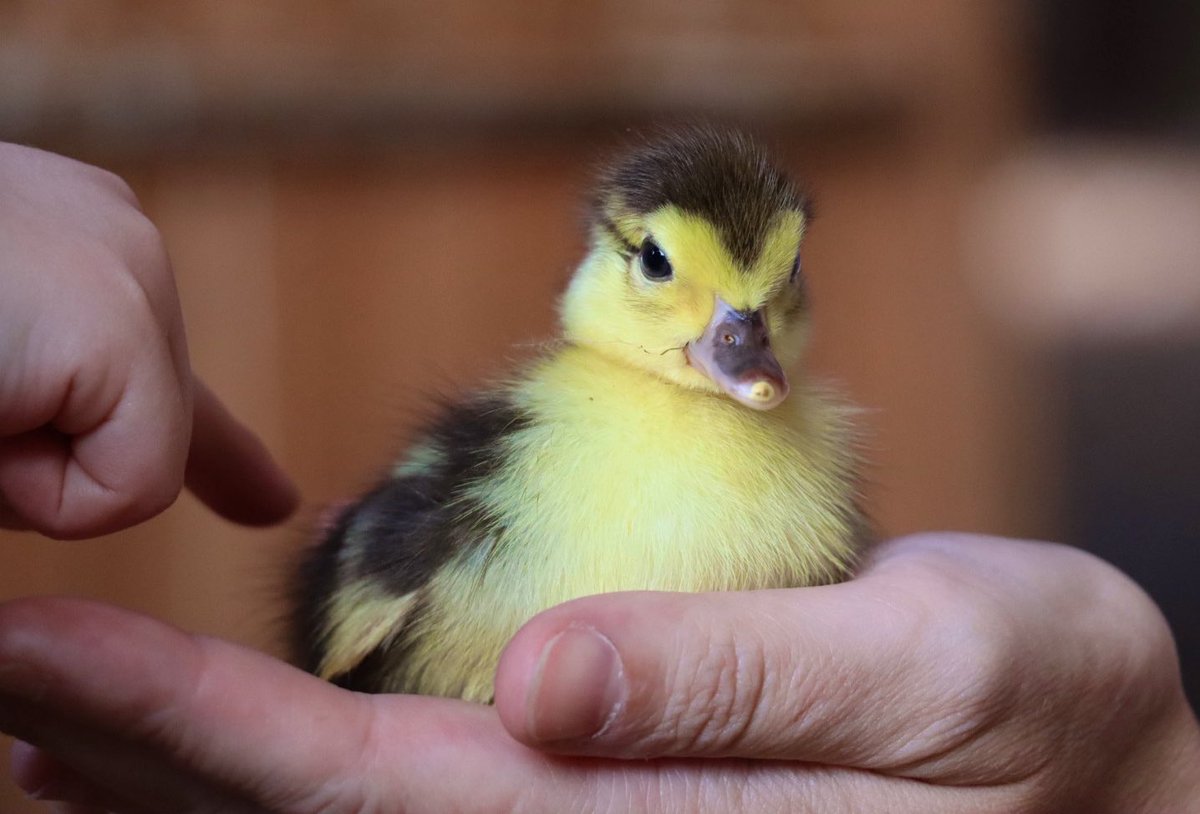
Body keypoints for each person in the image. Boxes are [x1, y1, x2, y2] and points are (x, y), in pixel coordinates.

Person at [1, 143, 1197, 814]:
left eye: (766, 295)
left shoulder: (804, 474)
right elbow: (362, 584)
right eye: (665, 269)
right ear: (606, 265)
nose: (739, 335)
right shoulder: (483, 484)